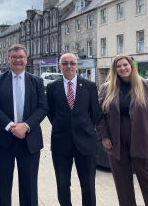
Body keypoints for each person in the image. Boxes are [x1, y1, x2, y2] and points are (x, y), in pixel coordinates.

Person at [96, 54, 148, 206]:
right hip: (116, 140)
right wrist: (104, 136)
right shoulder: (106, 88)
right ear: (115, 69)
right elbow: (99, 115)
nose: (122, 68)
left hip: (144, 139)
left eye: (125, 65)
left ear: (131, 66)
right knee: (122, 185)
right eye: (118, 66)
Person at [0, 44, 48, 206]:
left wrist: (26, 126)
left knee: (29, 185)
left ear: (26, 59)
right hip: (3, 140)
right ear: (8, 59)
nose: (17, 60)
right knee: (3, 184)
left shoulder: (36, 81)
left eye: (21, 57)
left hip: (29, 141)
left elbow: (43, 108)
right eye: (14, 57)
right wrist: (11, 127)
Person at [46, 53, 99, 206]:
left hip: (86, 142)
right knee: (62, 185)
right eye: (65, 63)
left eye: (72, 63)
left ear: (77, 65)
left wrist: (83, 127)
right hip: (61, 142)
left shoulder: (89, 86)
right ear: (59, 66)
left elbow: (95, 113)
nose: (68, 66)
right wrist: (61, 125)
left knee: (88, 185)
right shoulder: (52, 87)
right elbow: (51, 113)